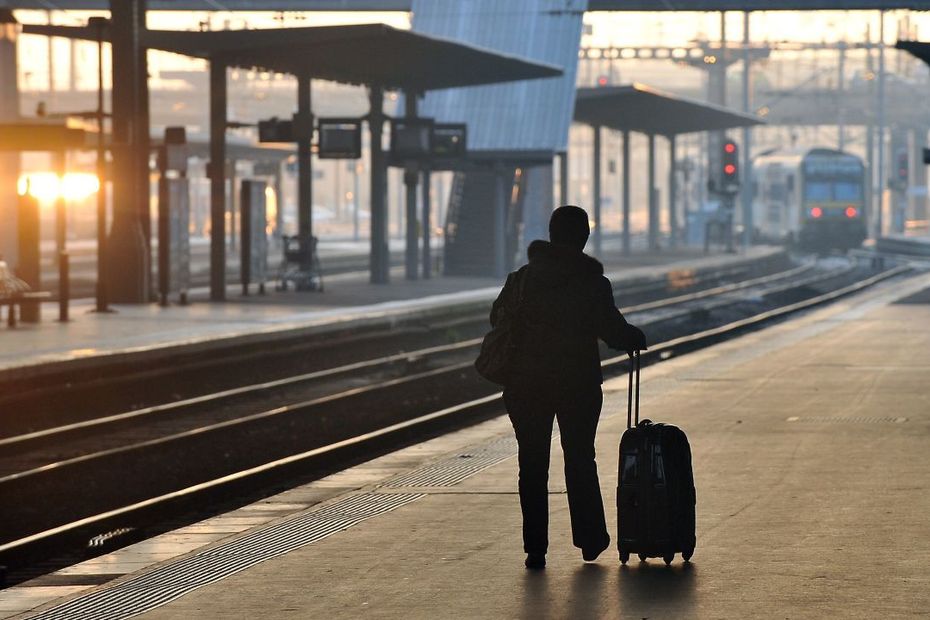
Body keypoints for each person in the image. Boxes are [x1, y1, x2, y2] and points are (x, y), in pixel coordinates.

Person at [490, 205, 647, 570]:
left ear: (551, 235)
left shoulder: (523, 278)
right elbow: (612, 331)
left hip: (526, 384)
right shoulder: (591, 283)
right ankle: (590, 539)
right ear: (584, 238)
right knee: (579, 459)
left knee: (531, 464)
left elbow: (497, 316)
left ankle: (535, 549)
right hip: (577, 384)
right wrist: (635, 337)